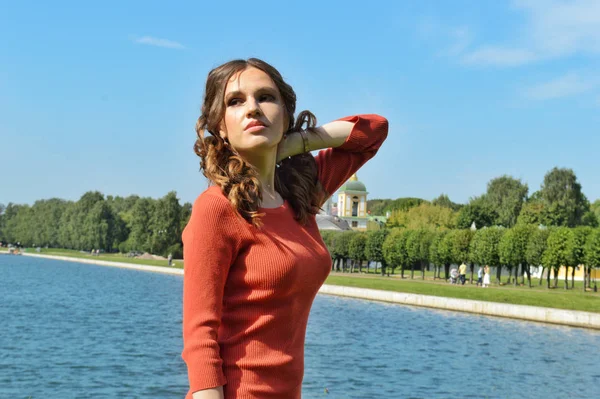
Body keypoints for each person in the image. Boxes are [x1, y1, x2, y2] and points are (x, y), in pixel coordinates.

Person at [182, 58, 388, 399]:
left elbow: (374, 131)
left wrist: (293, 144)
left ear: (286, 114)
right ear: (220, 126)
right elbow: (200, 336)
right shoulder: (216, 208)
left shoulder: (302, 194)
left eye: (265, 97)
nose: (252, 109)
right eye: (235, 101)